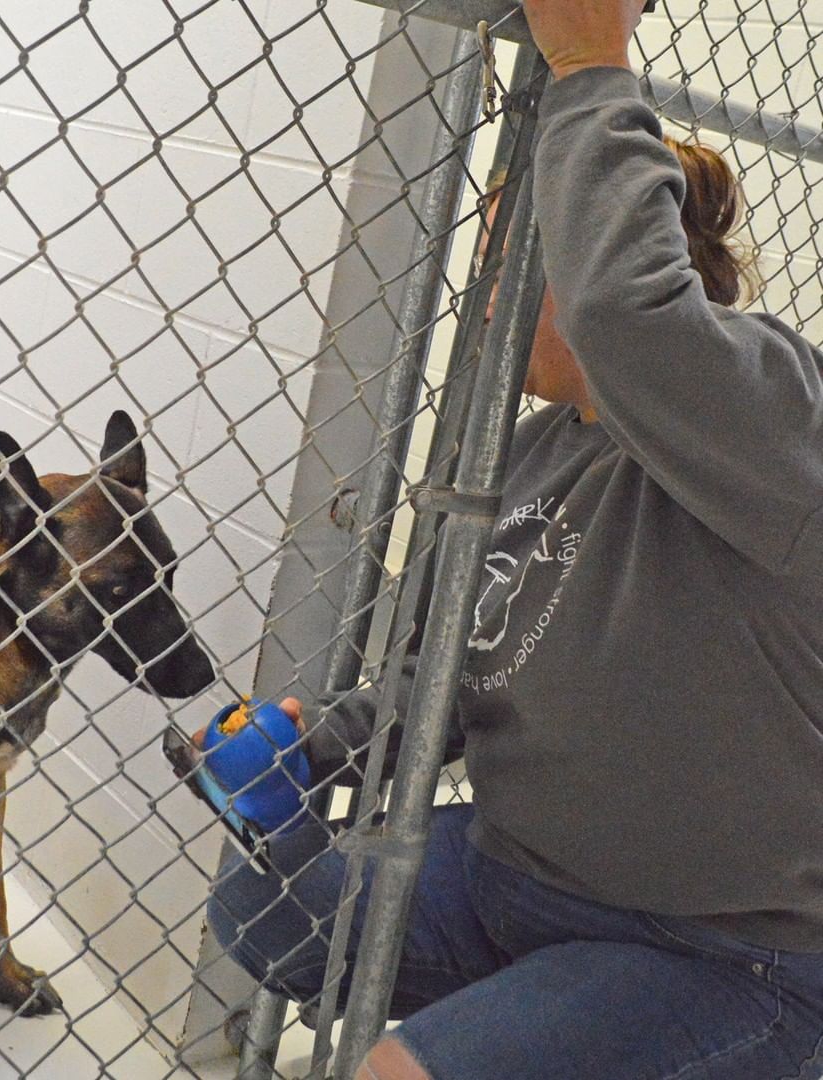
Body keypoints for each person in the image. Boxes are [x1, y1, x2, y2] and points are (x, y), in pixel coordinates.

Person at [206, 1, 823, 1077]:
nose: (482, 296)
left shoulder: (769, 415)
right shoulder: (534, 457)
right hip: (513, 884)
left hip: (724, 952)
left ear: (586, 253)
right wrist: (310, 749)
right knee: (264, 912)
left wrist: (589, 61)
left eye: (505, 256)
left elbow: (630, 320)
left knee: (394, 1074)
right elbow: (440, 677)